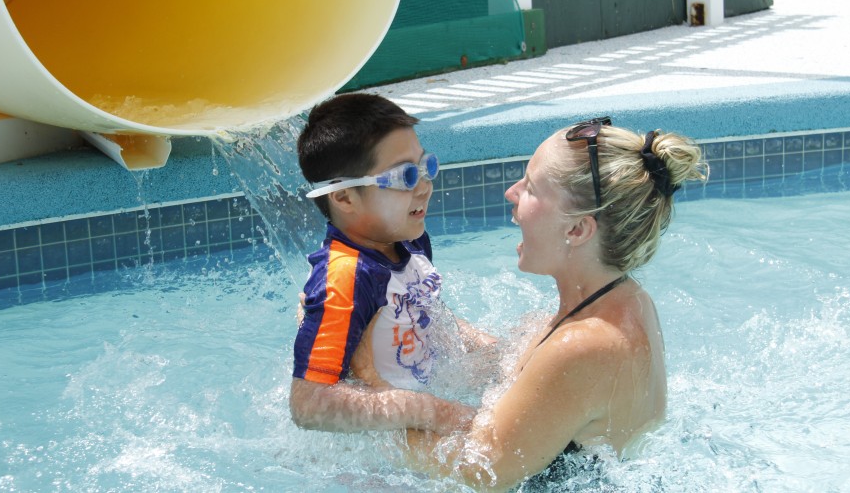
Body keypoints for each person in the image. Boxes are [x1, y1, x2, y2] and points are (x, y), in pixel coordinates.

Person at [403, 117, 707, 490]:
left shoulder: (585, 345)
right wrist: (413, 311)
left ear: (577, 229)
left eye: (530, 187)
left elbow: (483, 471)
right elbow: (515, 367)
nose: (511, 192)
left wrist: (367, 410)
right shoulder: (623, 301)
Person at [290, 93, 490, 435]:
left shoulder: (404, 238)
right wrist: (429, 411)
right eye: (405, 178)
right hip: (382, 447)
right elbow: (308, 404)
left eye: (425, 167)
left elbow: (424, 313)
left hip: (422, 392)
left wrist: (494, 352)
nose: (425, 187)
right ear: (343, 197)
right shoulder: (345, 276)